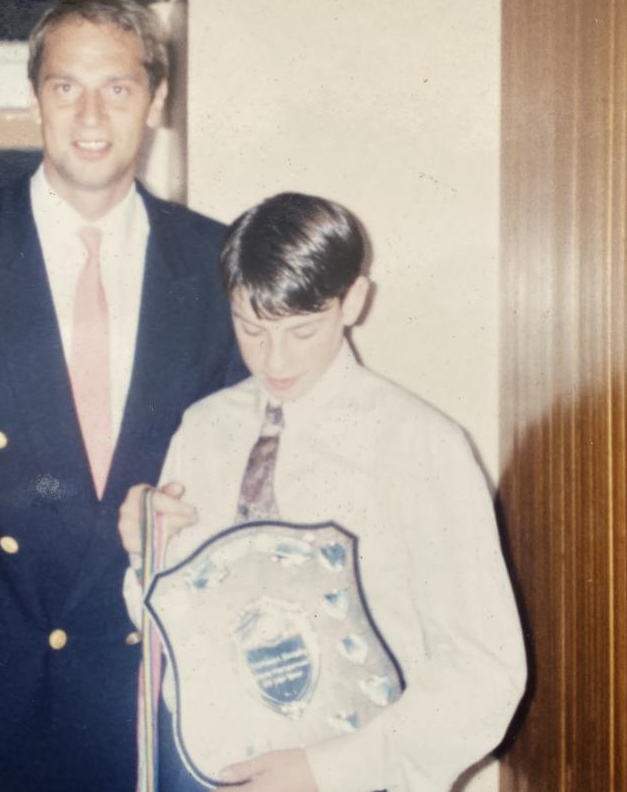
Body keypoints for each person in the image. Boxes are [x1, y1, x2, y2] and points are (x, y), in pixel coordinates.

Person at [0, 0, 241, 792]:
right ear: (35, 97)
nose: (91, 115)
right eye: (67, 86)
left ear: (156, 100)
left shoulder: (216, 265)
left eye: (118, 88)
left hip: (156, 719)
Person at [118, 192, 526, 792]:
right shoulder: (205, 428)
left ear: (354, 299)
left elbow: (486, 669)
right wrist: (144, 553)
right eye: (250, 328)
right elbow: (177, 632)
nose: (274, 360)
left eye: (302, 331)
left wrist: (329, 770)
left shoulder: (421, 444)